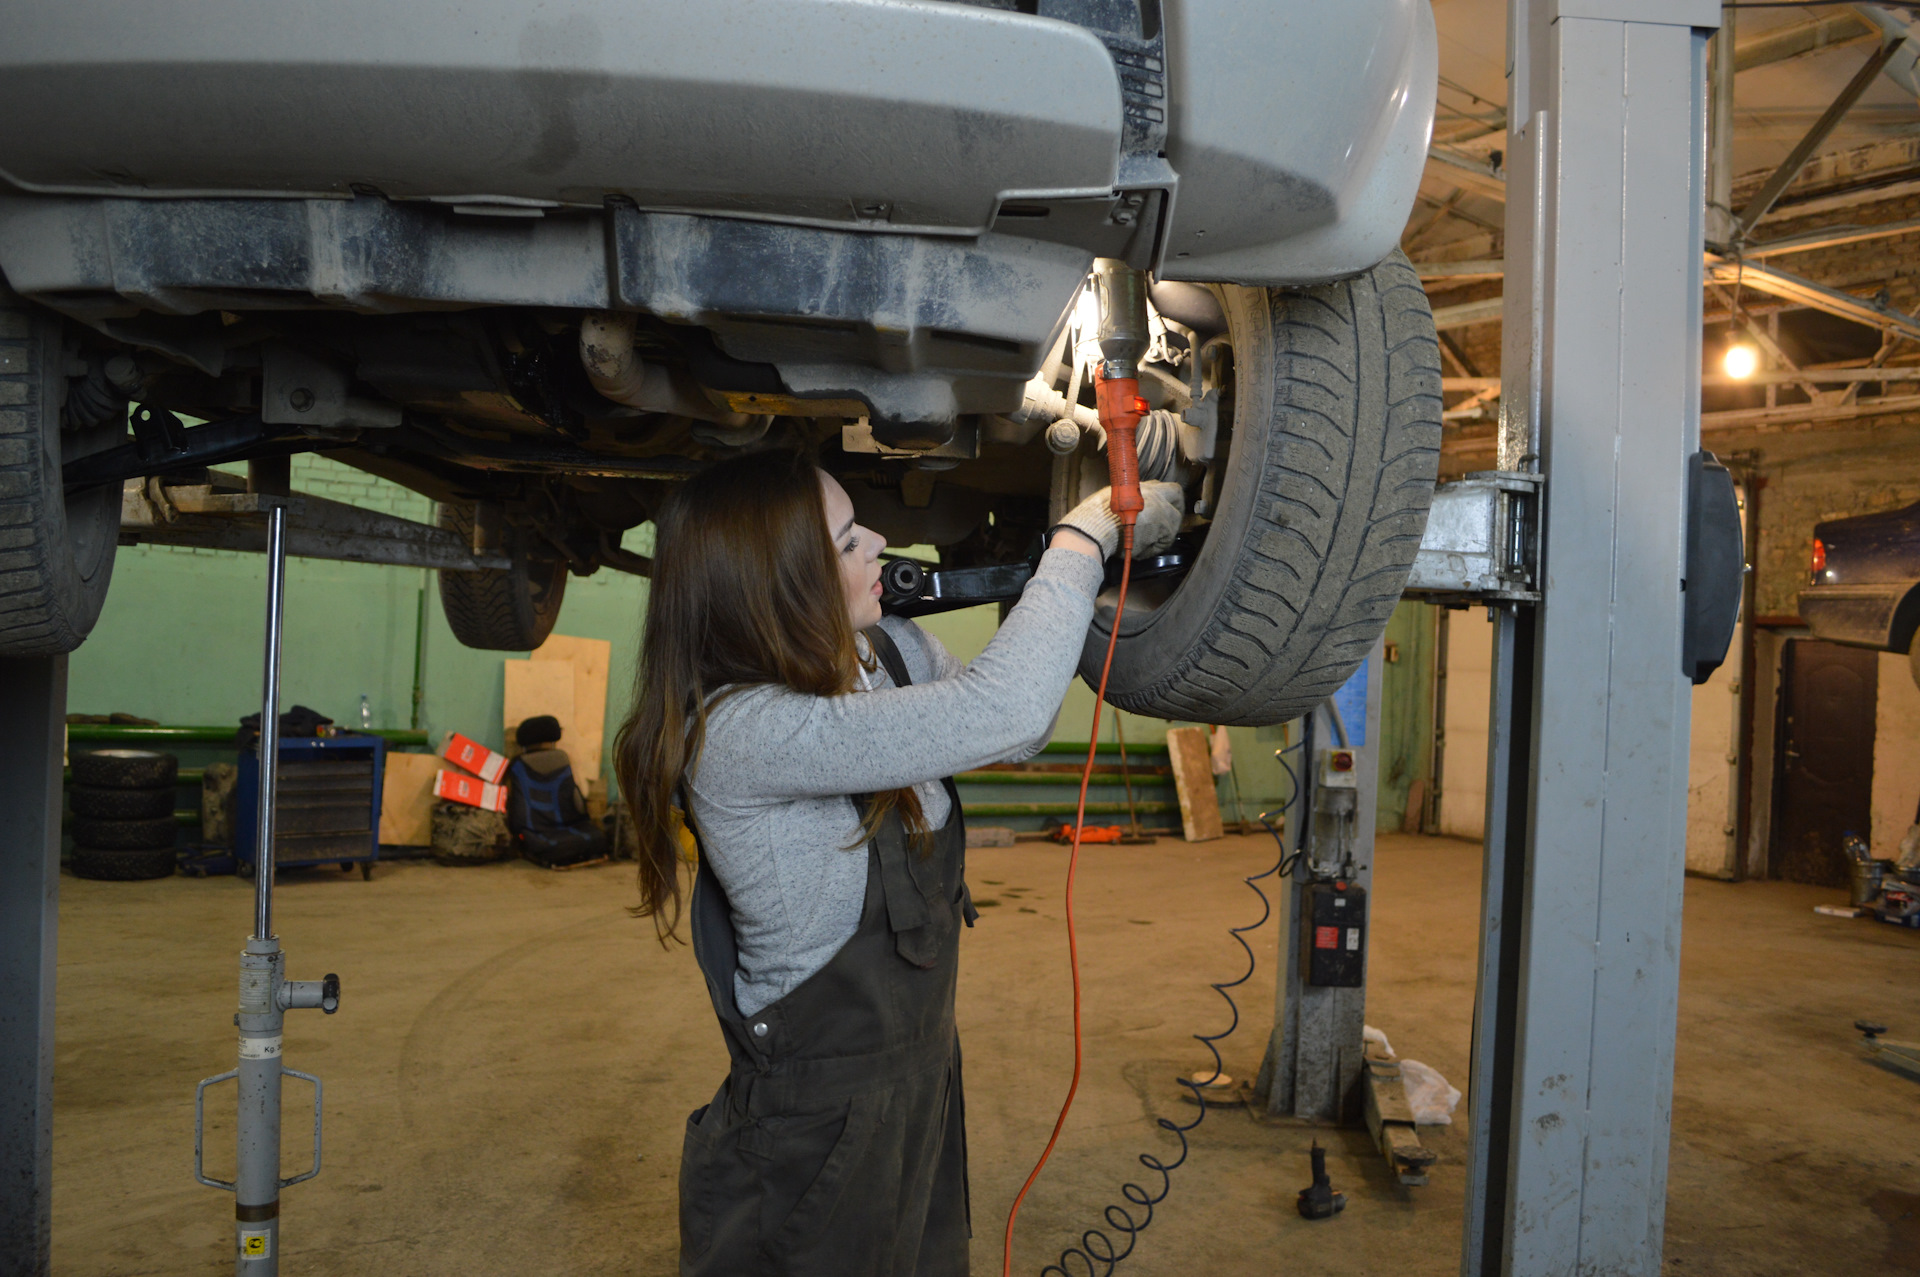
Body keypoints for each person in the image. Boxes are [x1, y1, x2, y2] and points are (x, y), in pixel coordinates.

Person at [614, 448, 1182, 1276]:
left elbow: (1018, 732)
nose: (880, 540)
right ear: (781, 583)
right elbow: (1008, 703)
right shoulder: (742, 734)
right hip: (811, 1136)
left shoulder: (891, 655)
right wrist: (1081, 536)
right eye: (848, 542)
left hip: (920, 1092)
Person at [504, 714, 610, 868]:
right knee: (556, 845)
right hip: (537, 830)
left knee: (597, 837)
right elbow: (520, 813)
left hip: (569, 825)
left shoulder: (561, 759)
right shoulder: (519, 766)